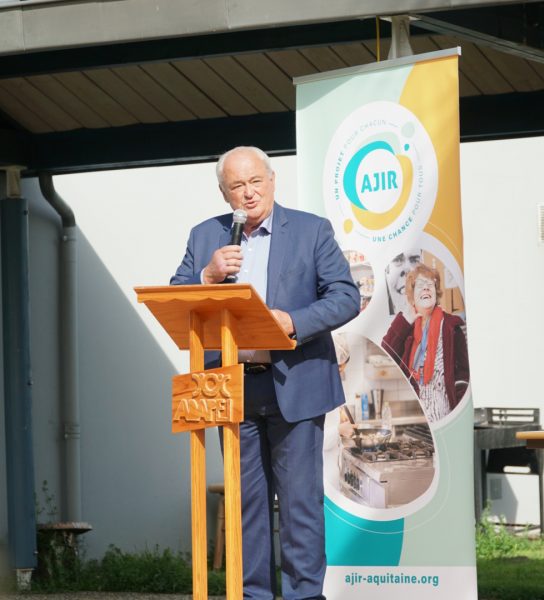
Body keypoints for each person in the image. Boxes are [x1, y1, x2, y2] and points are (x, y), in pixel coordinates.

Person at [170, 146, 360, 600]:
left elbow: (345, 297)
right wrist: (208, 276)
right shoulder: (205, 237)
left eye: (255, 181)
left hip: (294, 384)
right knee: (243, 506)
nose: (248, 193)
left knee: (299, 506)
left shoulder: (312, 231)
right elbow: (176, 297)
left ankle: (303, 594)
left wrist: (293, 321)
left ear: (272, 180)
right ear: (223, 192)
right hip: (230, 387)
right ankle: (251, 594)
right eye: (236, 186)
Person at [381, 264, 469, 422]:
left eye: (430, 285)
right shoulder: (406, 328)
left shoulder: (451, 327)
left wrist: (459, 413)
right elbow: (387, 352)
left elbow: (463, 373)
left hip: (445, 417)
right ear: (412, 297)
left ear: (436, 291)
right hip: (419, 418)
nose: (426, 289)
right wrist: (405, 321)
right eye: (420, 286)